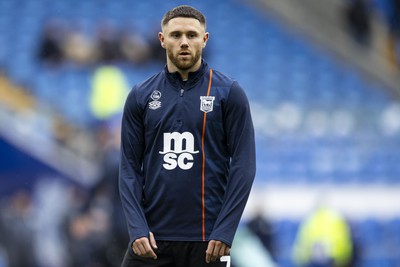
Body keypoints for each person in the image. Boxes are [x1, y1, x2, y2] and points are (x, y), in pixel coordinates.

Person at [119, 5, 256, 267]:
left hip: (209, 244)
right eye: (176, 35)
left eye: (192, 35)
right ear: (162, 39)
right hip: (151, 241)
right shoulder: (140, 95)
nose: (184, 42)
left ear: (204, 40)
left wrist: (225, 230)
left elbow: (244, 165)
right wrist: (136, 228)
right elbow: (128, 168)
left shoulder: (229, 93)